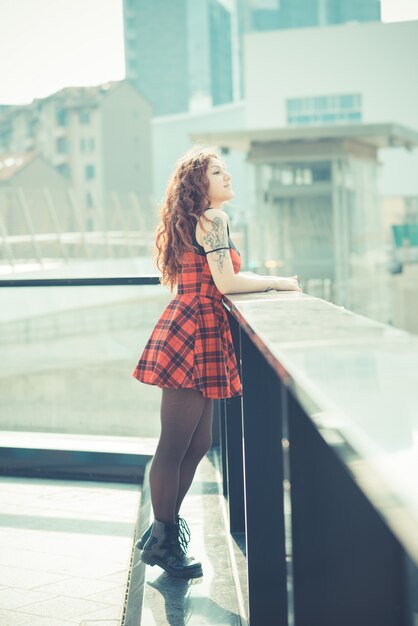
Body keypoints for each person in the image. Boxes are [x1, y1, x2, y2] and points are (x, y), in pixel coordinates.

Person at [132, 146, 302, 579]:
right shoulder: (214, 219)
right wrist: (278, 283)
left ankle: (161, 532)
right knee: (175, 444)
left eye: (226, 170)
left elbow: (216, 279)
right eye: (217, 171)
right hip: (194, 329)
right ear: (198, 183)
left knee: (197, 442)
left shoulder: (200, 219)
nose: (227, 177)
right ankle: (164, 541)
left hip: (197, 326)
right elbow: (226, 281)